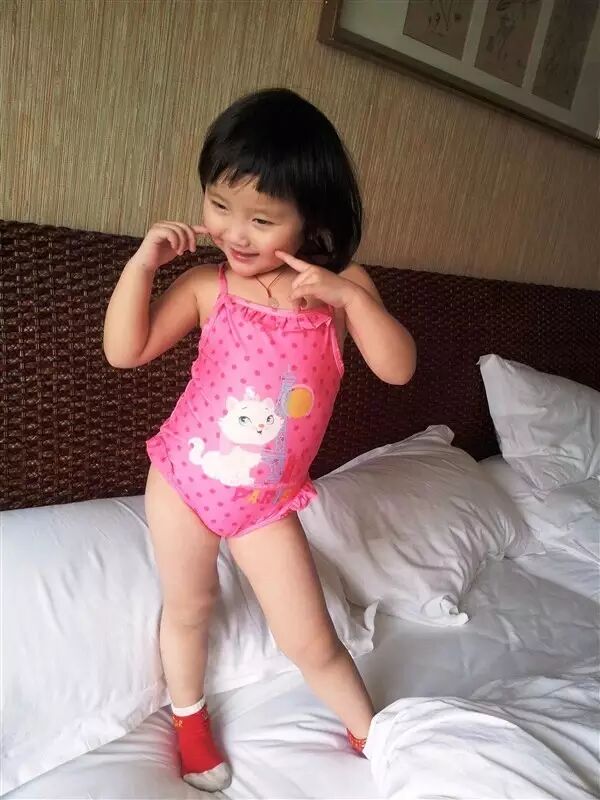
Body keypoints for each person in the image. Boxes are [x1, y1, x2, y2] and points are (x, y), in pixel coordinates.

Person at [103, 88, 416, 792]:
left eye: (262, 219)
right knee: (191, 610)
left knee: (310, 637)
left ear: (312, 219)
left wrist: (352, 299)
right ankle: (189, 722)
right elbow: (125, 351)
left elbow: (398, 369)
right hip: (185, 478)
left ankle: (373, 734)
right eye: (220, 206)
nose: (236, 234)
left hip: (266, 503)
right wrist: (143, 265)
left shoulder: (342, 289)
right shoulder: (206, 285)